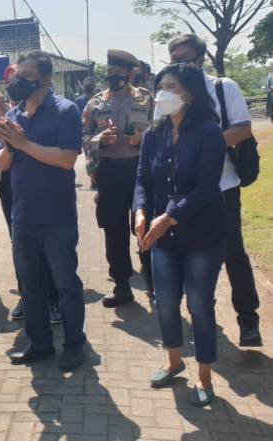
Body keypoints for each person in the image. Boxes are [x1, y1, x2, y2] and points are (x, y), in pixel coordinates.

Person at [134, 62, 227, 406]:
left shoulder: (208, 131)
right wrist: (142, 211)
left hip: (202, 234)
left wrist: (168, 217)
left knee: (200, 306)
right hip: (164, 238)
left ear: (189, 93)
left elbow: (206, 187)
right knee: (166, 303)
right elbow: (142, 179)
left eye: (171, 87)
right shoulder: (152, 134)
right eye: (160, 86)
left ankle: (204, 376)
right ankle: (174, 362)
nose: (163, 93)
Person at [164, 34, 262, 347]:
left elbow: (243, 129)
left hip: (223, 187)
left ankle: (248, 319)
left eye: (187, 57)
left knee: (233, 253)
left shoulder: (223, 87)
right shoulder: (170, 93)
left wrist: (202, 146)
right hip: (185, 192)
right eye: (175, 57)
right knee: (193, 256)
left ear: (202, 58)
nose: (181, 63)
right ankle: (204, 317)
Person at [0, 51, 86, 371]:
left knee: (65, 284)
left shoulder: (66, 111)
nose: (18, 81)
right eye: (17, 75)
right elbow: (4, 164)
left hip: (57, 216)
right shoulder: (15, 114)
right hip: (23, 216)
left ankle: (75, 344)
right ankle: (40, 342)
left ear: (45, 79)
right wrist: (7, 144)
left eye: (26, 75)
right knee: (30, 285)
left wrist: (22, 144)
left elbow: (66, 160)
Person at [0, 64, 62, 324]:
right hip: (10, 186)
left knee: (46, 245)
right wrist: (0, 124)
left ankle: (53, 298)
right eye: (10, 80)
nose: (14, 84)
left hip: (42, 188)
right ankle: (27, 295)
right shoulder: (8, 114)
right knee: (20, 244)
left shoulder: (45, 111)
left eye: (19, 78)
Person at [82, 50, 155, 307]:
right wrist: (99, 141)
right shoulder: (95, 103)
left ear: (130, 73)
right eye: (110, 71)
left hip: (140, 170)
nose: (113, 76)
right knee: (114, 230)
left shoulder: (146, 100)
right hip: (110, 171)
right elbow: (83, 137)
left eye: (119, 71)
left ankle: (153, 281)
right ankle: (122, 285)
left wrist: (142, 139)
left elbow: (161, 132)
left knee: (145, 224)